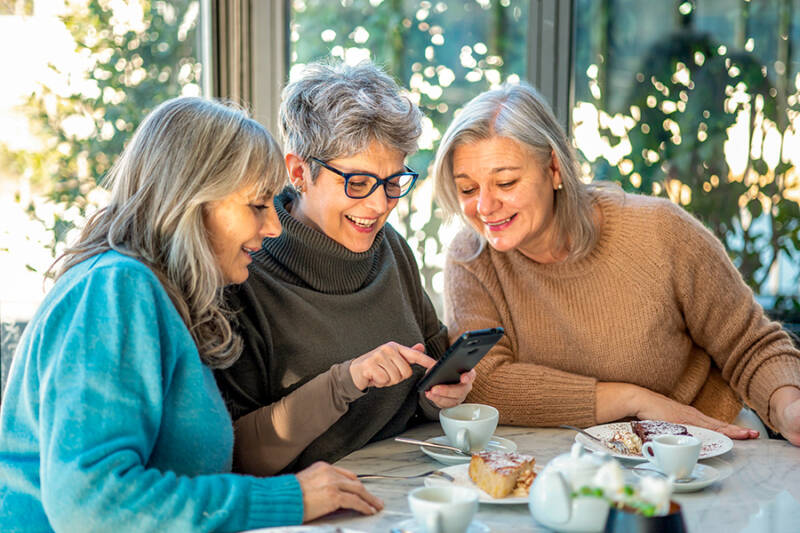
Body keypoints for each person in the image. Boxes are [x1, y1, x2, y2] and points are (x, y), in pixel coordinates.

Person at [0, 97, 384, 532]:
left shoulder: (165, 298)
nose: (274, 226)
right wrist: (288, 498)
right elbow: (92, 502)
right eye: (257, 205)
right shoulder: (113, 289)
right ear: (192, 203)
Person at [432, 82, 800, 446]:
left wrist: (789, 409)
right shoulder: (472, 257)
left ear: (555, 169)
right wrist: (633, 399)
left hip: (700, 443)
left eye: (506, 182)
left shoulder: (660, 232)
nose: (484, 207)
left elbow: (749, 344)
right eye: (467, 189)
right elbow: (484, 381)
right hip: (560, 457)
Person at [214, 61, 475, 476]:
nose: (378, 206)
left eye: (393, 183)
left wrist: (442, 392)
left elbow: (425, 388)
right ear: (299, 171)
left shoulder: (390, 248)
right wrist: (347, 380)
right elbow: (238, 455)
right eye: (357, 183)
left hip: (408, 482)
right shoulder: (242, 273)